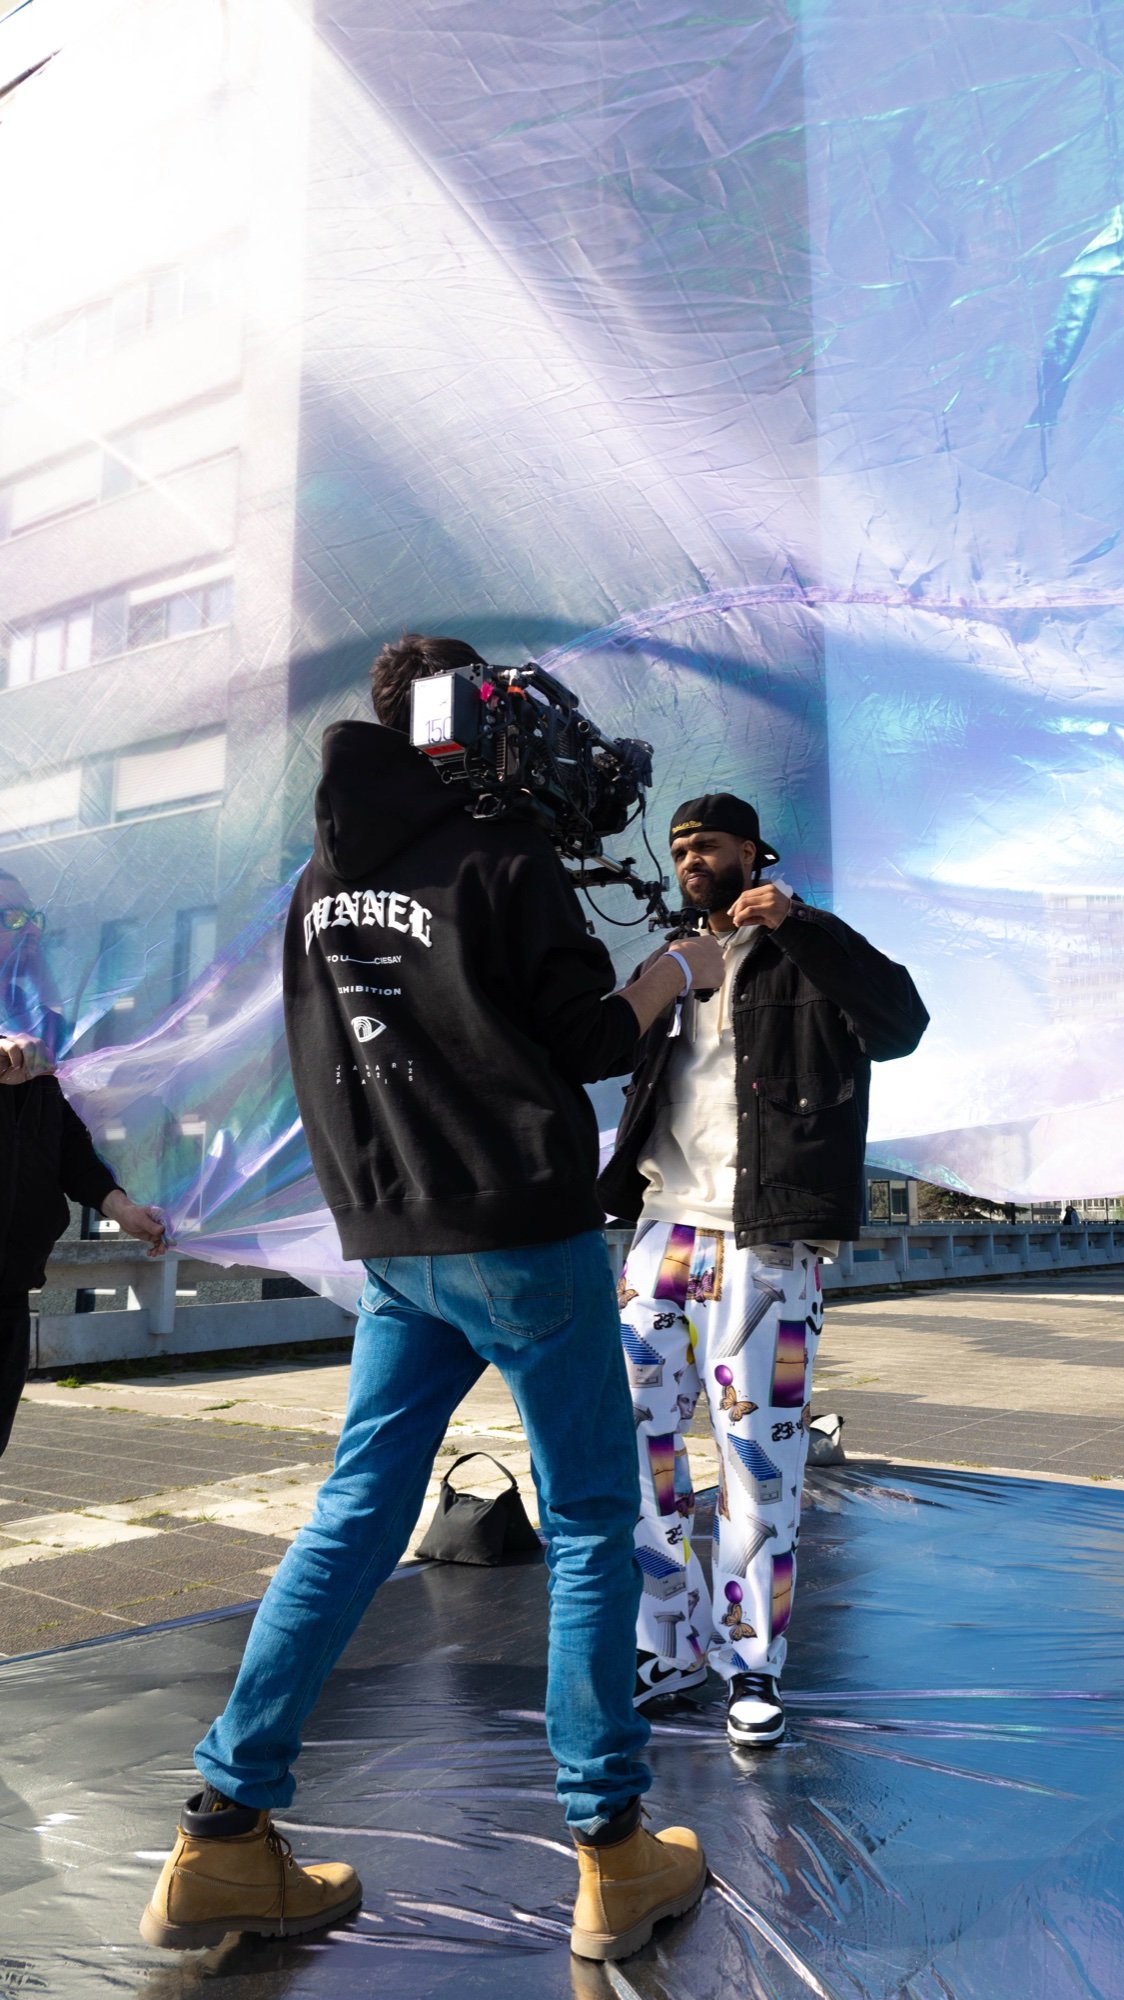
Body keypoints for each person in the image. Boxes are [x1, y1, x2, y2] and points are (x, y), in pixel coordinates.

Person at [141, 636, 722, 1964]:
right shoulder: (502, 856)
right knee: (589, 1519)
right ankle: (613, 1847)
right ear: (476, 724)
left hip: (396, 1242)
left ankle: (223, 1832)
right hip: (520, 1231)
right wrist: (676, 971)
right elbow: (590, 1039)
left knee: (356, 1511)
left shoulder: (320, 879)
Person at [598, 794, 929, 1747]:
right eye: (678, 849)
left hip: (768, 1241)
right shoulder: (674, 959)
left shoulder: (806, 952)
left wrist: (799, 923)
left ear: (752, 852)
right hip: (661, 1233)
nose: (689, 861)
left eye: (706, 845)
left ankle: (752, 1666)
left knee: (759, 1464)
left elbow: (900, 1022)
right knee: (635, 1452)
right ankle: (665, 1647)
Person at [0, 876, 167, 1457]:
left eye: (35, 919)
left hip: (10, 1284)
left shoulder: (39, 1028)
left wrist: (120, 1207)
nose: (29, 931)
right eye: (11, 919)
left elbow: (67, 1143)